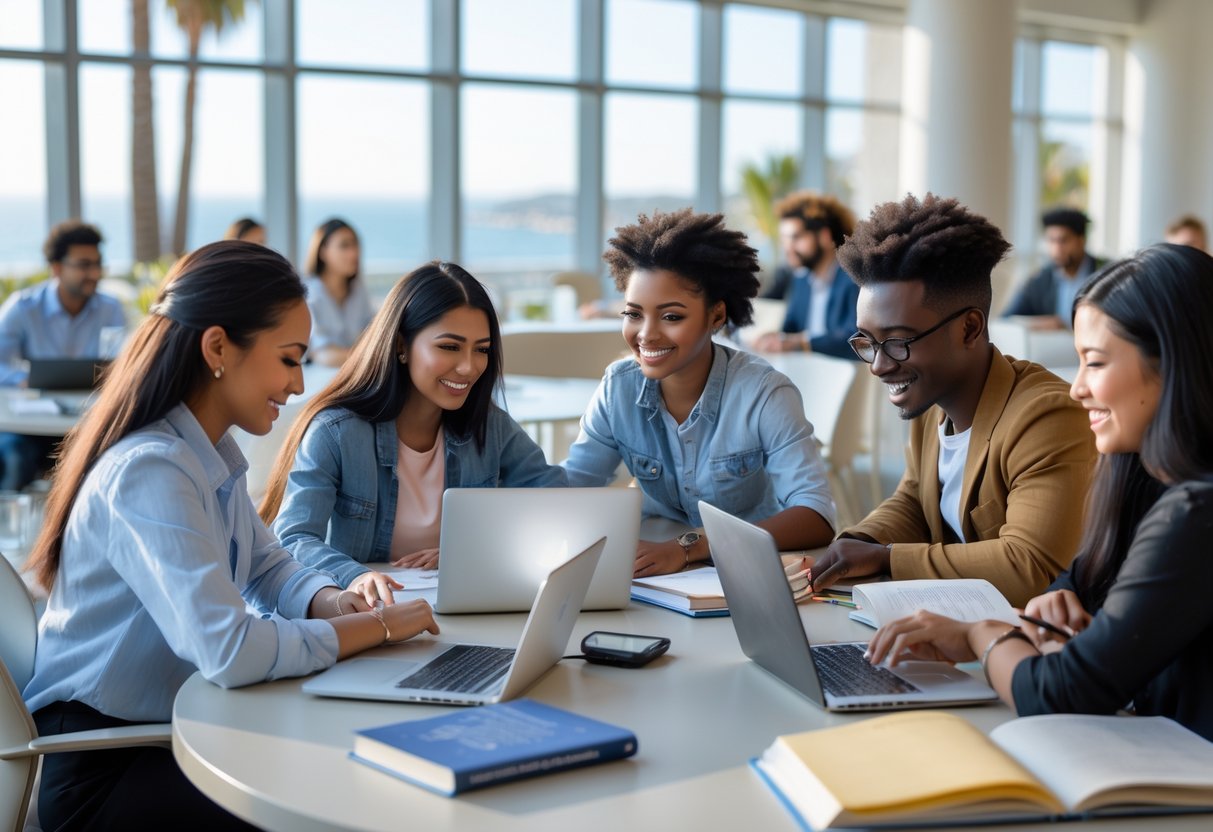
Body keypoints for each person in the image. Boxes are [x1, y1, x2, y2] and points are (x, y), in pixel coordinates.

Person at [20, 241, 439, 829]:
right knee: (339, 793)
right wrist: (373, 628)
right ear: (218, 348)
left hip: (169, 728)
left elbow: (269, 569)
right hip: (106, 765)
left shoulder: (206, 451)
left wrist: (333, 602)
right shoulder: (150, 469)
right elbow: (229, 649)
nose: (298, 385)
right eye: (289, 358)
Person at [865, 243, 1213, 742]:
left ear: (1173, 364)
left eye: (1094, 363)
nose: (1077, 388)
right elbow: (1078, 576)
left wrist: (978, 635)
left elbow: (1063, 691)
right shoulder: (1144, 477)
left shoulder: (1195, 511)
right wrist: (1058, 601)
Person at [810, 194, 1096, 607]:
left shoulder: (1047, 417)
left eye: (897, 342)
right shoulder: (934, 405)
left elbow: (1031, 567)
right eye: (868, 342)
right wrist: (855, 543)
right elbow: (913, 501)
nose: (878, 366)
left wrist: (887, 558)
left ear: (969, 329)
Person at [261, 261, 566, 606]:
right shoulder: (336, 433)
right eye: (450, 347)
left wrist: (469, 548)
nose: (469, 367)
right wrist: (355, 574)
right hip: (368, 613)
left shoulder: (491, 427)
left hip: (461, 611)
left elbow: (557, 504)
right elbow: (294, 537)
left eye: (481, 349)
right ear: (401, 346)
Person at [561, 208, 836, 577]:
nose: (646, 335)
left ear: (717, 316)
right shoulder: (618, 388)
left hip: (748, 572)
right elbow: (572, 488)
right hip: (651, 570)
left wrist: (692, 547)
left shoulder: (765, 394)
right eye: (633, 314)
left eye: (672, 316)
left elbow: (816, 515)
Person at [0, 220, 127, 489]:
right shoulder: (23, 309)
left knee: (115, 458)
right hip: (29, 426)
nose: (94, 272)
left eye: (97, 263)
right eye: (84, 265)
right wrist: (22, 378)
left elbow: (121, 364)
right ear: (56, 267)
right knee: (14, 457)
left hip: (88, 423)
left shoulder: (110, 309)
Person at [753, 191, 860, 359]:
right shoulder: (801, 280)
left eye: (795, 238)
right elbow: (790, 328)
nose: (788, 248)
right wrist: (772, 338)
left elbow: (856, 338)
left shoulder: (853, 278)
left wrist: (801, 343)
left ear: (824, 236)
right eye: (784, 240)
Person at [1001, 207, 1104, 330]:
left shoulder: (1108, 274)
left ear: (1081, 240)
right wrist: (1040, 323)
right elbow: (1005, 320)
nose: (1056, 249)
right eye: (1051, 240)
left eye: (1063, 241)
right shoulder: (1040, 280)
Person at [303, 218, 374, 366]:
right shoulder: (308, 294)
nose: (354, 253)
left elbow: (373, 333)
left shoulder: (358, 289)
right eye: (344, 246)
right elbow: (322, 354)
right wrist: (371, 356)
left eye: (355, 244)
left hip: (354, 376)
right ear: (322, 251)